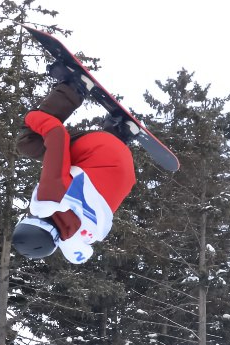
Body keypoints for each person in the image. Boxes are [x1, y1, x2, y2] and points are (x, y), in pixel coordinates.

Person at [12, 65, 137, 263]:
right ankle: (75, 86)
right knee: (28, 142)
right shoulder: (50, 199)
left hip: (125, 167)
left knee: (85, 176)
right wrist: (31, 118)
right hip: (103, 149)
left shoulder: (84, 234)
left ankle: (120, 130)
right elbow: (56, 134)